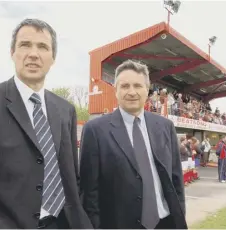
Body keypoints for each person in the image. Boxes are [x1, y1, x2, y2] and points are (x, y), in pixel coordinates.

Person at [0, 18, 92, 229]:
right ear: (12, 52)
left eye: (42, 47)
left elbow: (71, 178)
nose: (33, 54)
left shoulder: (65, 110)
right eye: (25, 45)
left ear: (53, 58)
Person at [79, 59, 187, 229]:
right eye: (124, 86)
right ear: (115, 91)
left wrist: (180, 214)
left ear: (147, 89)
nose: (131, 92)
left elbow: (176, 180)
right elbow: (89, 192)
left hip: (166, 222)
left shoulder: (165, 126)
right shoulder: (95, 130)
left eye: (137, 86)